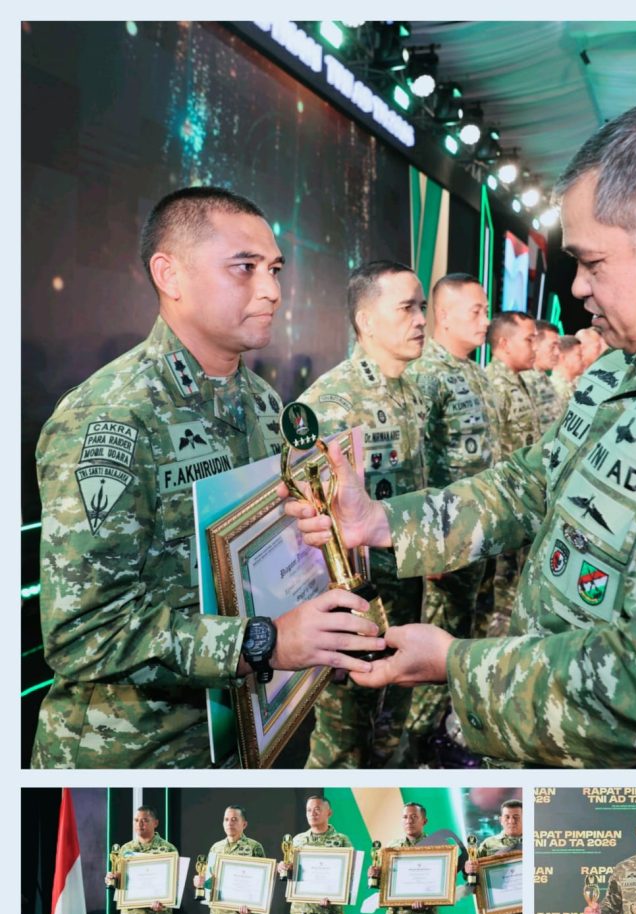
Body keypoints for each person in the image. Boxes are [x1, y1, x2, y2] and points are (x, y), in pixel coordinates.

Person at [282, 102, 636, 769]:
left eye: (592, 262)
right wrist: (382, 521)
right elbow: (535, 482)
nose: (578, 288)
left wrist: (456, 663)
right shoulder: (634, 363)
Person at [33, 186, 383, 769]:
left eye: (274, 269)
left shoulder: (263, 403)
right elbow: (84, 633)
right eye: (244, 268)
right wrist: (264, 641)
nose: (271, 290)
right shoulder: (112, 417)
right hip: (139, 754)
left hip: (246, 734)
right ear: (169, 275)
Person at [298, 261, 427, 767]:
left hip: (405, 589)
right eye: (407, 308)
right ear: (366, 320)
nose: (421, 320)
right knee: (343, 738)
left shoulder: (408, 390)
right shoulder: (331, 402)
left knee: (391, 728)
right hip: (355, 607)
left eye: (422, 307)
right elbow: (306, 521)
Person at [403, 274, 498, 763]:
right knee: (437, 642)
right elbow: (417, 464)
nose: (486, 320)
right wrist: (428, 547)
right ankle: (420, 743)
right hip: (446, 540)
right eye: (476, 311)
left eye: (486, 310)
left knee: (465, 634)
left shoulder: (475, 373)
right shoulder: (427, 374)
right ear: (444, 315)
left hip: (481, 535)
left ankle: (444, 728)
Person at [483, 313, 540, 635]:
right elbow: (490, 454)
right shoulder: (494, 385)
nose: (535, 347)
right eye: (529, 339)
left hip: (521, 506)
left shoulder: (519, 381)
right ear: (504, 344)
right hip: (503, 508)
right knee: (499, 597)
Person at [278, 795, 352, 914]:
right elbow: (290, 872)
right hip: (301, 911)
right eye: (309, 810)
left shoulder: (341, 840)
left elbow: (350, 875)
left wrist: (334, 896)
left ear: (329, 812)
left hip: (329, 912)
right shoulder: (297, 841)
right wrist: (283, 868)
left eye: (318, 809)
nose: (313, 813)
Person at [194, 805, 265, 914]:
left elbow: (263, 880)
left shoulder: (254, 847)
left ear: (244, 824)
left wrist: (252, 904)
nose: (229, 823)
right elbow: (211, 882)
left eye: (234, 819)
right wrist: (201, 882)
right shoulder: (216, 848)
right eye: (226, 819)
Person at [464, 798, 522, 914]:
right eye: (507, 817)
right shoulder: (488, 845)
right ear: (501, 819)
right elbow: (472, 879)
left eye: (516, 817)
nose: (511, 821)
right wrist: (469, 869)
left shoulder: (537, 844)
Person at [527, 320, 567, 433]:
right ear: (535, 345)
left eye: (558, 347)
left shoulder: (544, 379)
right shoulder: (524, 382)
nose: (557, 352)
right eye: (553, 346)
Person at [550, 334, 583, 399]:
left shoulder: (579, 384)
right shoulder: (553, 389)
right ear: (563, 357)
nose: (582, 359)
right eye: (579, 355)